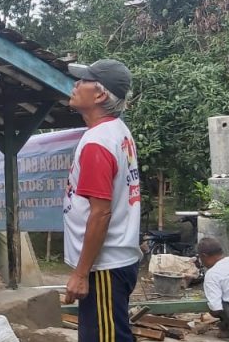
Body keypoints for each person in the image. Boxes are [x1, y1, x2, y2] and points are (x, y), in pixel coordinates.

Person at [61, 59, 141, 342]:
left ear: (100, 94)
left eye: (82, 81)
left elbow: (101, 213)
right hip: (109, 263)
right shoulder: (117, 131)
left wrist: (81, 274)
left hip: (103, 268)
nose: (75, 85)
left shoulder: (98, 142)